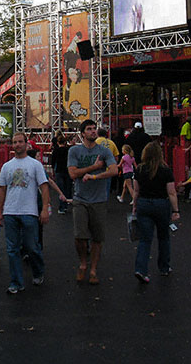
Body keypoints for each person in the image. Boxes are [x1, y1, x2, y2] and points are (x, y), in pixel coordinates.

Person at [0, 132, 49, 294]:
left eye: (20, 142)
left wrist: (45, 208)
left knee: (31, 246)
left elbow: (44, 187)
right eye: (14, 142)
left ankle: (38, 271)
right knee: (12, 249)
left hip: (29, 211)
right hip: (10, 211)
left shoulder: (35, 165)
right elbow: (1, 189)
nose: (17, 145)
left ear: (27, 144)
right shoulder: (7, 166)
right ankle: (16, 282)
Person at [67, 119, 117, 285]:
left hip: (99, 199)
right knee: (79, 236)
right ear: (82, 133)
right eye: (89, 129)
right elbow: (73, 174)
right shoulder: (74, 151)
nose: (93, 131)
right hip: (80, 198)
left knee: (97, 237)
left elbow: (114, 170)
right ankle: (83, 262)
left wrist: (95, 176)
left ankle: (93, 269)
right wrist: (93, 168)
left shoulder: (104, 151)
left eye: (95, 129)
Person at [132, 141, 180, 283]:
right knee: (163, 237)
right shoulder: (165, 170)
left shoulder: (139, 169)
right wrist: (175, 210)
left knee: (145, 239)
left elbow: (136, 191)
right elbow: (171, 192)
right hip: (161, 204)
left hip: (144, 203)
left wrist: (134, 205)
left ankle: (141, 269)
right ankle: (164, 267)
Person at [50, 134, 72, 214]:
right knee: (67, 188)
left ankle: (62, 207)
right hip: (67, 170)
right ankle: (67, 204)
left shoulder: (56, 150)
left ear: (58, 142)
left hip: (59, 171)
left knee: (60, 190)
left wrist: (52, 171)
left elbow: (53, 162)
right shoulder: (68, 150)